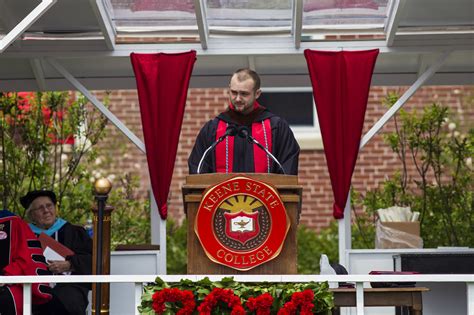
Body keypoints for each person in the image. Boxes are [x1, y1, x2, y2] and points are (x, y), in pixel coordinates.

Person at [188, 68, 300, 175]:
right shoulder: (213, 129)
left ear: (257, 94)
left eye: (244, 94)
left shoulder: (276, 127)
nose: (237, 98)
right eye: (233, 92)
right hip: (223, 195)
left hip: (263, 195)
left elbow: (287, 171)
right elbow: (197, 169)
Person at [20, 190, 92, 315]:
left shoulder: (74, 232)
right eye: (40, 208)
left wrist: (70, 264)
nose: (46, 210)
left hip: (69, 288)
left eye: (49, 206)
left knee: (66, 299)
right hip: (33, 288)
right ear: (31, 215)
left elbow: (92, 260)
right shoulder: (23, 235)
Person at [0, 209, 52, 315]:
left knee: (8, 300)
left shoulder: (12, 222)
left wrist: (6, 277)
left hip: (8, 285)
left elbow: (27, 257)